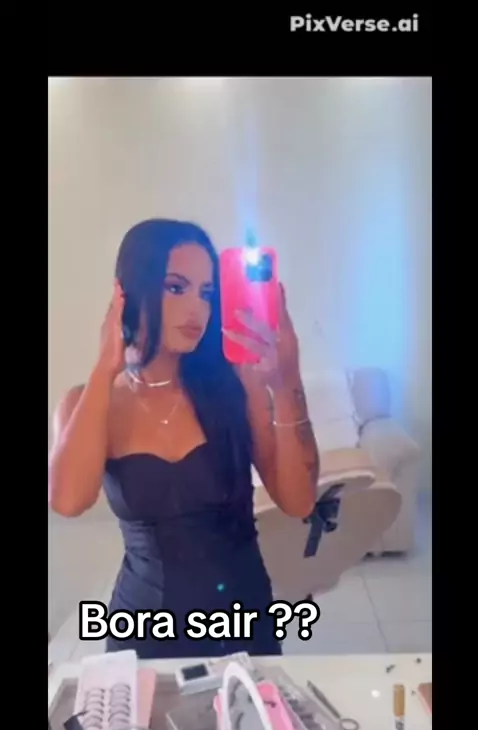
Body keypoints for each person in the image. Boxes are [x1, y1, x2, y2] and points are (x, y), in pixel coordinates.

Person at [48, 219, 319, 658]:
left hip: (244, 627)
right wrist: (105, 367)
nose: (196, 308)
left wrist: (287, 381)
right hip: (142, 633)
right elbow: (68, 501)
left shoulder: (234, 385)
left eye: (206, 293)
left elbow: (299, 501)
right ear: (128, 292)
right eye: (176, 287)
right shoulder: (89, 402)